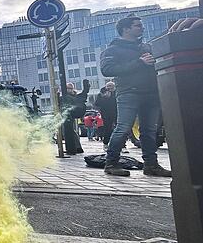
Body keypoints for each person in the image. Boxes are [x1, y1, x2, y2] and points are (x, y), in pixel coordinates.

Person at [100, 16, 171, 177]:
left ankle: (151, 165)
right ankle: (111, 163)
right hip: (129, 92)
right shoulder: (112, 50)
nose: (141, 28)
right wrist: (139, 62)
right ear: (126, 29)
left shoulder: (146, 47)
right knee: (123, 127)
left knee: (149, 130)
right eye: (137, 26)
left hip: (151, 93)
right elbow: (107, 69)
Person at [60, 79, 90, 155]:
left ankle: (75, 148)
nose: (68, 90)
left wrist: (86, 87)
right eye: (67, 88)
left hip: (70, 115)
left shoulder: (74, 96)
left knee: (69, 130)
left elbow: (83, 94)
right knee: (69, 131)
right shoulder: (65, 96)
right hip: (67, 115)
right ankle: (77, 147)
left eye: (70, 88)